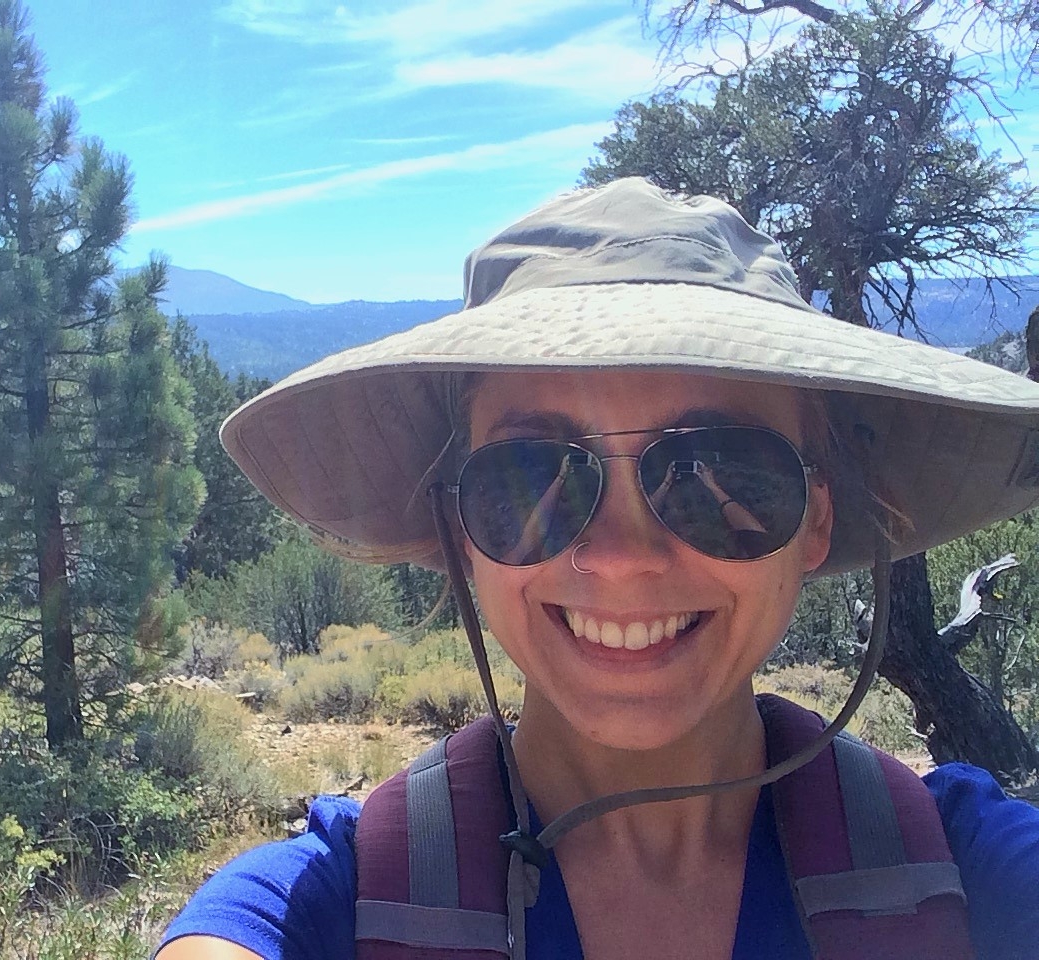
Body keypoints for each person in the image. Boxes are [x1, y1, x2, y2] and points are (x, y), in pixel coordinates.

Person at [156, 179, 1039, 960]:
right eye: (532, 477)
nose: (622, 558)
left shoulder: (971, 869)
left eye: (718, 472)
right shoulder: (328, 904)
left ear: (815, 518)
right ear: (461, 527)